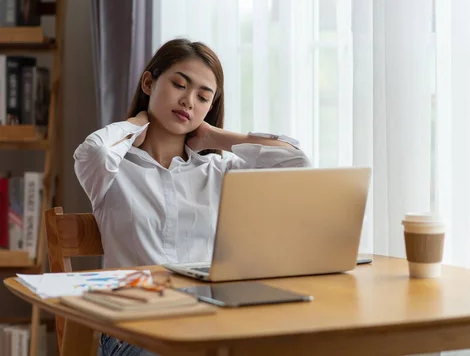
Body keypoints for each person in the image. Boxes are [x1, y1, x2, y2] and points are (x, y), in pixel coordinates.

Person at [74, 38, 310, 356]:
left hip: (206, 324)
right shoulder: (115, 169)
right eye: (179, 85)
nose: (188, 101)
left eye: (202, 97)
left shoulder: (217, 170)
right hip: (133, 330)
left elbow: (297, 164)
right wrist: (135, 124)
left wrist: (216, 136)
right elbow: (96, 151)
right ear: (148, 82)